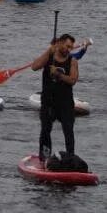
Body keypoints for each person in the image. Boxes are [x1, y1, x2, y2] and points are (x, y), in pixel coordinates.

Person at [31, 34, 80, 164]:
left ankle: (71, 158)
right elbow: (34, 66)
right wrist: (49, 50)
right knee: (45, 130)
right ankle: (44, 158)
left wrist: (58, 74)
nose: (69, 49)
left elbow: (73, 80)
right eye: (67, 46)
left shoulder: (72, 61)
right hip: (48, 102)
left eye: (71, 47)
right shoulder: (49, 57)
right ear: (59, 43)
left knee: (68, 131)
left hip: (65, 103)